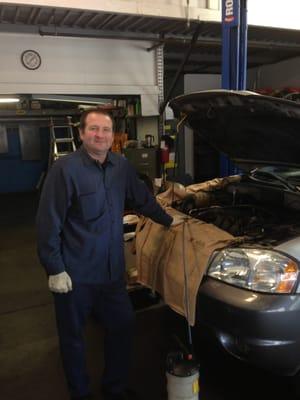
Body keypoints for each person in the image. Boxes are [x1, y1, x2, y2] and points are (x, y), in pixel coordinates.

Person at [36, 109, 183, 400]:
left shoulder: (120, 166)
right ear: (81, 134)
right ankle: (80, 394)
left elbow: (142, 199)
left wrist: (169, 220)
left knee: (123, 326)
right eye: (93, 129)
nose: (100, 135)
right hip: (74, 275)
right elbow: (47, 222)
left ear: (112, 135)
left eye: (105, 129)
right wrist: (54, 268)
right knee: (74, 339)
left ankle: (114, 388)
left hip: (111, 272)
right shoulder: (64, 170)